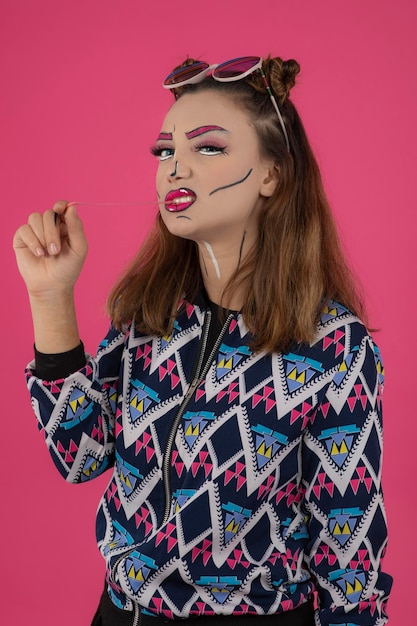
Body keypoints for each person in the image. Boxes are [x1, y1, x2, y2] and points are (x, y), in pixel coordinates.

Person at [13, 55, 392, 625]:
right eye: (166, 151)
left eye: (207, 148)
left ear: (272, 174)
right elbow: (80, 453)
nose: (174, 168)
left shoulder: (334, 348)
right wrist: (49, 297)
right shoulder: (150, 314)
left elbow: (348, 558)